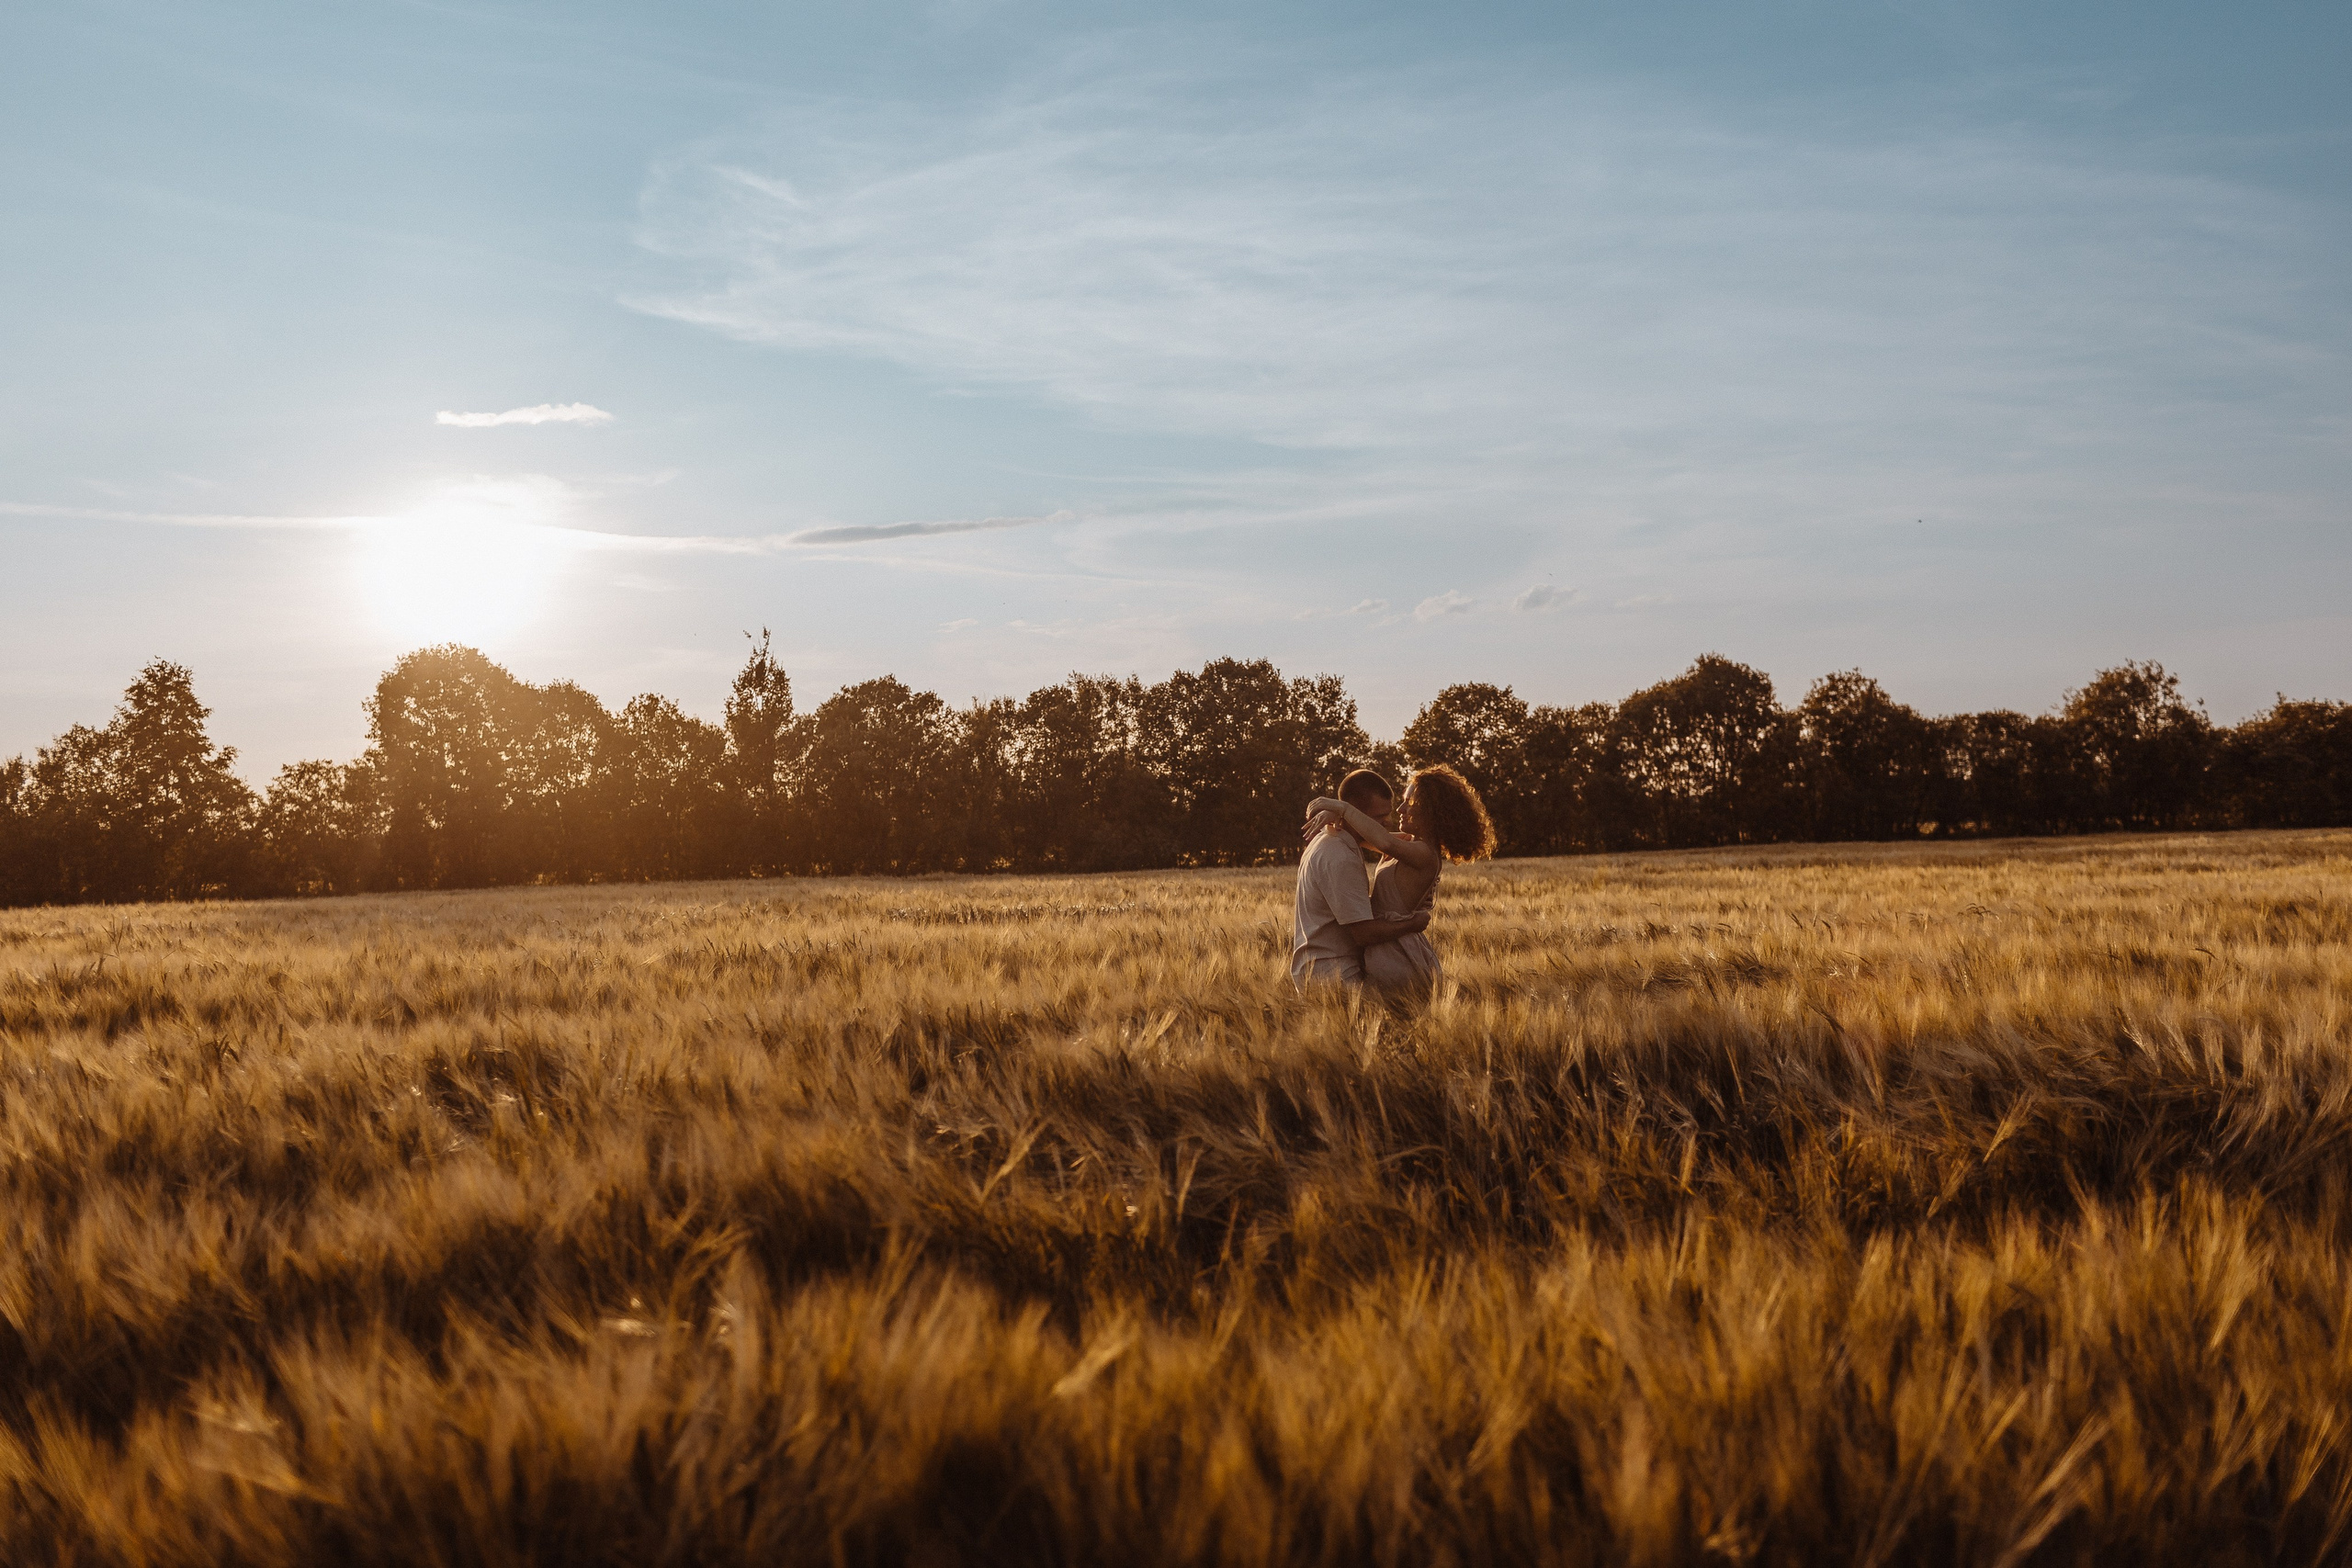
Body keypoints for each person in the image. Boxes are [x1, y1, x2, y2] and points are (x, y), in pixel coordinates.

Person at [1302, 763, 1497, 995]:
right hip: (1382, 945)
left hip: (1395, 952)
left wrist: (1341, 807)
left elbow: (1383, 841)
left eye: (1410, 803)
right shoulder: (1407, 843)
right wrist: (1338, 815)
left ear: (1431, 811)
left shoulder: (1425, 853)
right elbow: (1364, 836)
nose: (1401, 810)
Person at [1290, 769, 1431, 989]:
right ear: (1356, 814)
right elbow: (1363, 934)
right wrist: (1413, 923)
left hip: (1321, 970)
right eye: (1378, 818)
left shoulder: (1330, 840)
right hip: (1334, 976)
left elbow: (1394, 842)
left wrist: (1341, 815)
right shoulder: (1341, 857)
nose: (1387, 822)